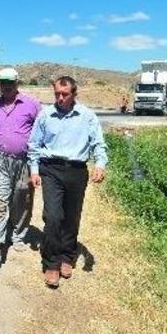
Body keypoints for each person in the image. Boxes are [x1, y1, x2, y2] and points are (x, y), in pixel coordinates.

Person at [28, 76, 108, 288]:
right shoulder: (45, 115)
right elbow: (34, 145)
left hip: (76, 171)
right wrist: (34, 170)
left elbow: (98, 143)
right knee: (53, 216)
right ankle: (51, 263)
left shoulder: (87, 116)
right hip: (51, 170)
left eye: (65, 94)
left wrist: (100, 164)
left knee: (71, 218)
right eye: (57, 94)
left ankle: (67, 257)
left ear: (74, 94)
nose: (60, 98)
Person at [0, 68, 42, 270]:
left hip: (24, 161)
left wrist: (38, 162)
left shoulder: (32, 104)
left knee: (22, 200)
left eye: (10, 82)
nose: (6, 86)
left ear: (17, 84)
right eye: (2, 82)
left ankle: (17, 234)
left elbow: (42, 131)